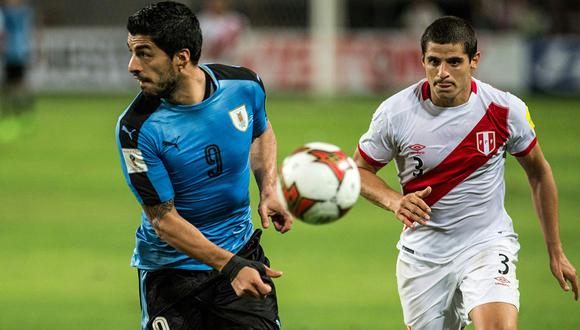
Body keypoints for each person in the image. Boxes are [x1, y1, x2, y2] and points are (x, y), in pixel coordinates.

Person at [354, 16, 578, 329]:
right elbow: (359, 171)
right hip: (424, 255)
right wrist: (394, 200)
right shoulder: (395, 113)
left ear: (474, 61)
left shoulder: (504, 110)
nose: (442, 73)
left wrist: (556, 252)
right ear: (422, 61)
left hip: (487, 243)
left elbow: (539, 173)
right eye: (433, 61)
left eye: (454, 62)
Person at [115, 2, 293, 329]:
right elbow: (163, 220)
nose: (132, 66)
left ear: (181, 57)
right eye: (132, 52)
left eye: (144, 53)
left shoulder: (244, 86)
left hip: (240, 252)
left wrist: (268, 189)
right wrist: (230, 266)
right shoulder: (136, 128)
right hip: (171, 275)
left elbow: (260, 131)